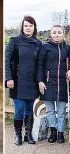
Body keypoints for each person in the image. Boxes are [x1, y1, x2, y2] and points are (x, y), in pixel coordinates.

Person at [5, 16, 42, 145]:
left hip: (32, 83)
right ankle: (18, 135)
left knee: (29, 109)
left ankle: (28, 135)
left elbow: (39, 64)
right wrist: (9, 78)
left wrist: (39, 81)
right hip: (17, 82)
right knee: (19, 109)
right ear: (22, 27)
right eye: (26, 26)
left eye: (30, 26)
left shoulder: (38, 43)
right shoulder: (14, 41)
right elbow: (7, 61)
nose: (28, 28)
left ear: (34, 27)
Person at [37, 25, 70, 144]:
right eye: (54, 32)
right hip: (48, 83)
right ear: (51, 35)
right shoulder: (45, 47)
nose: (57, 35)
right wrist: (40, 81)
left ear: (63, 34)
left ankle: (61, 133)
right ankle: (53, 131)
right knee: (50, 110)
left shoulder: (67, 48)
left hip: (62, 83)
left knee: (61, 111)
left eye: (59, 32)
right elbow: (40, 65)